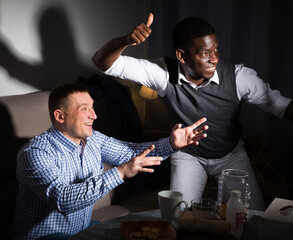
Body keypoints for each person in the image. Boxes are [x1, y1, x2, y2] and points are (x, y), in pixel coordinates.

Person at [92, 13, 293, 211]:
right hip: (188, 156)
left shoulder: (239, 77)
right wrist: (127, 40)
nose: (215, 59)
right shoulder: (163, 74)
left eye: (216, 50)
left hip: (231, 156)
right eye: (205, 53)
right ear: (182, 56)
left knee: (252, 219)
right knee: (177, 217)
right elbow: (102, 62)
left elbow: (285, 110)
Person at [9, 83, 208, 240]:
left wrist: (171, 144)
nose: (94, 115)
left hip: (82, 229)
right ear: (60, 116)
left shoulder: (93, 139)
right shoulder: (35, 153)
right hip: (44, 236)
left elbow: (132, 153)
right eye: (84, 109)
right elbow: (63, 199)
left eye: (93, 107)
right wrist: (120, 172)